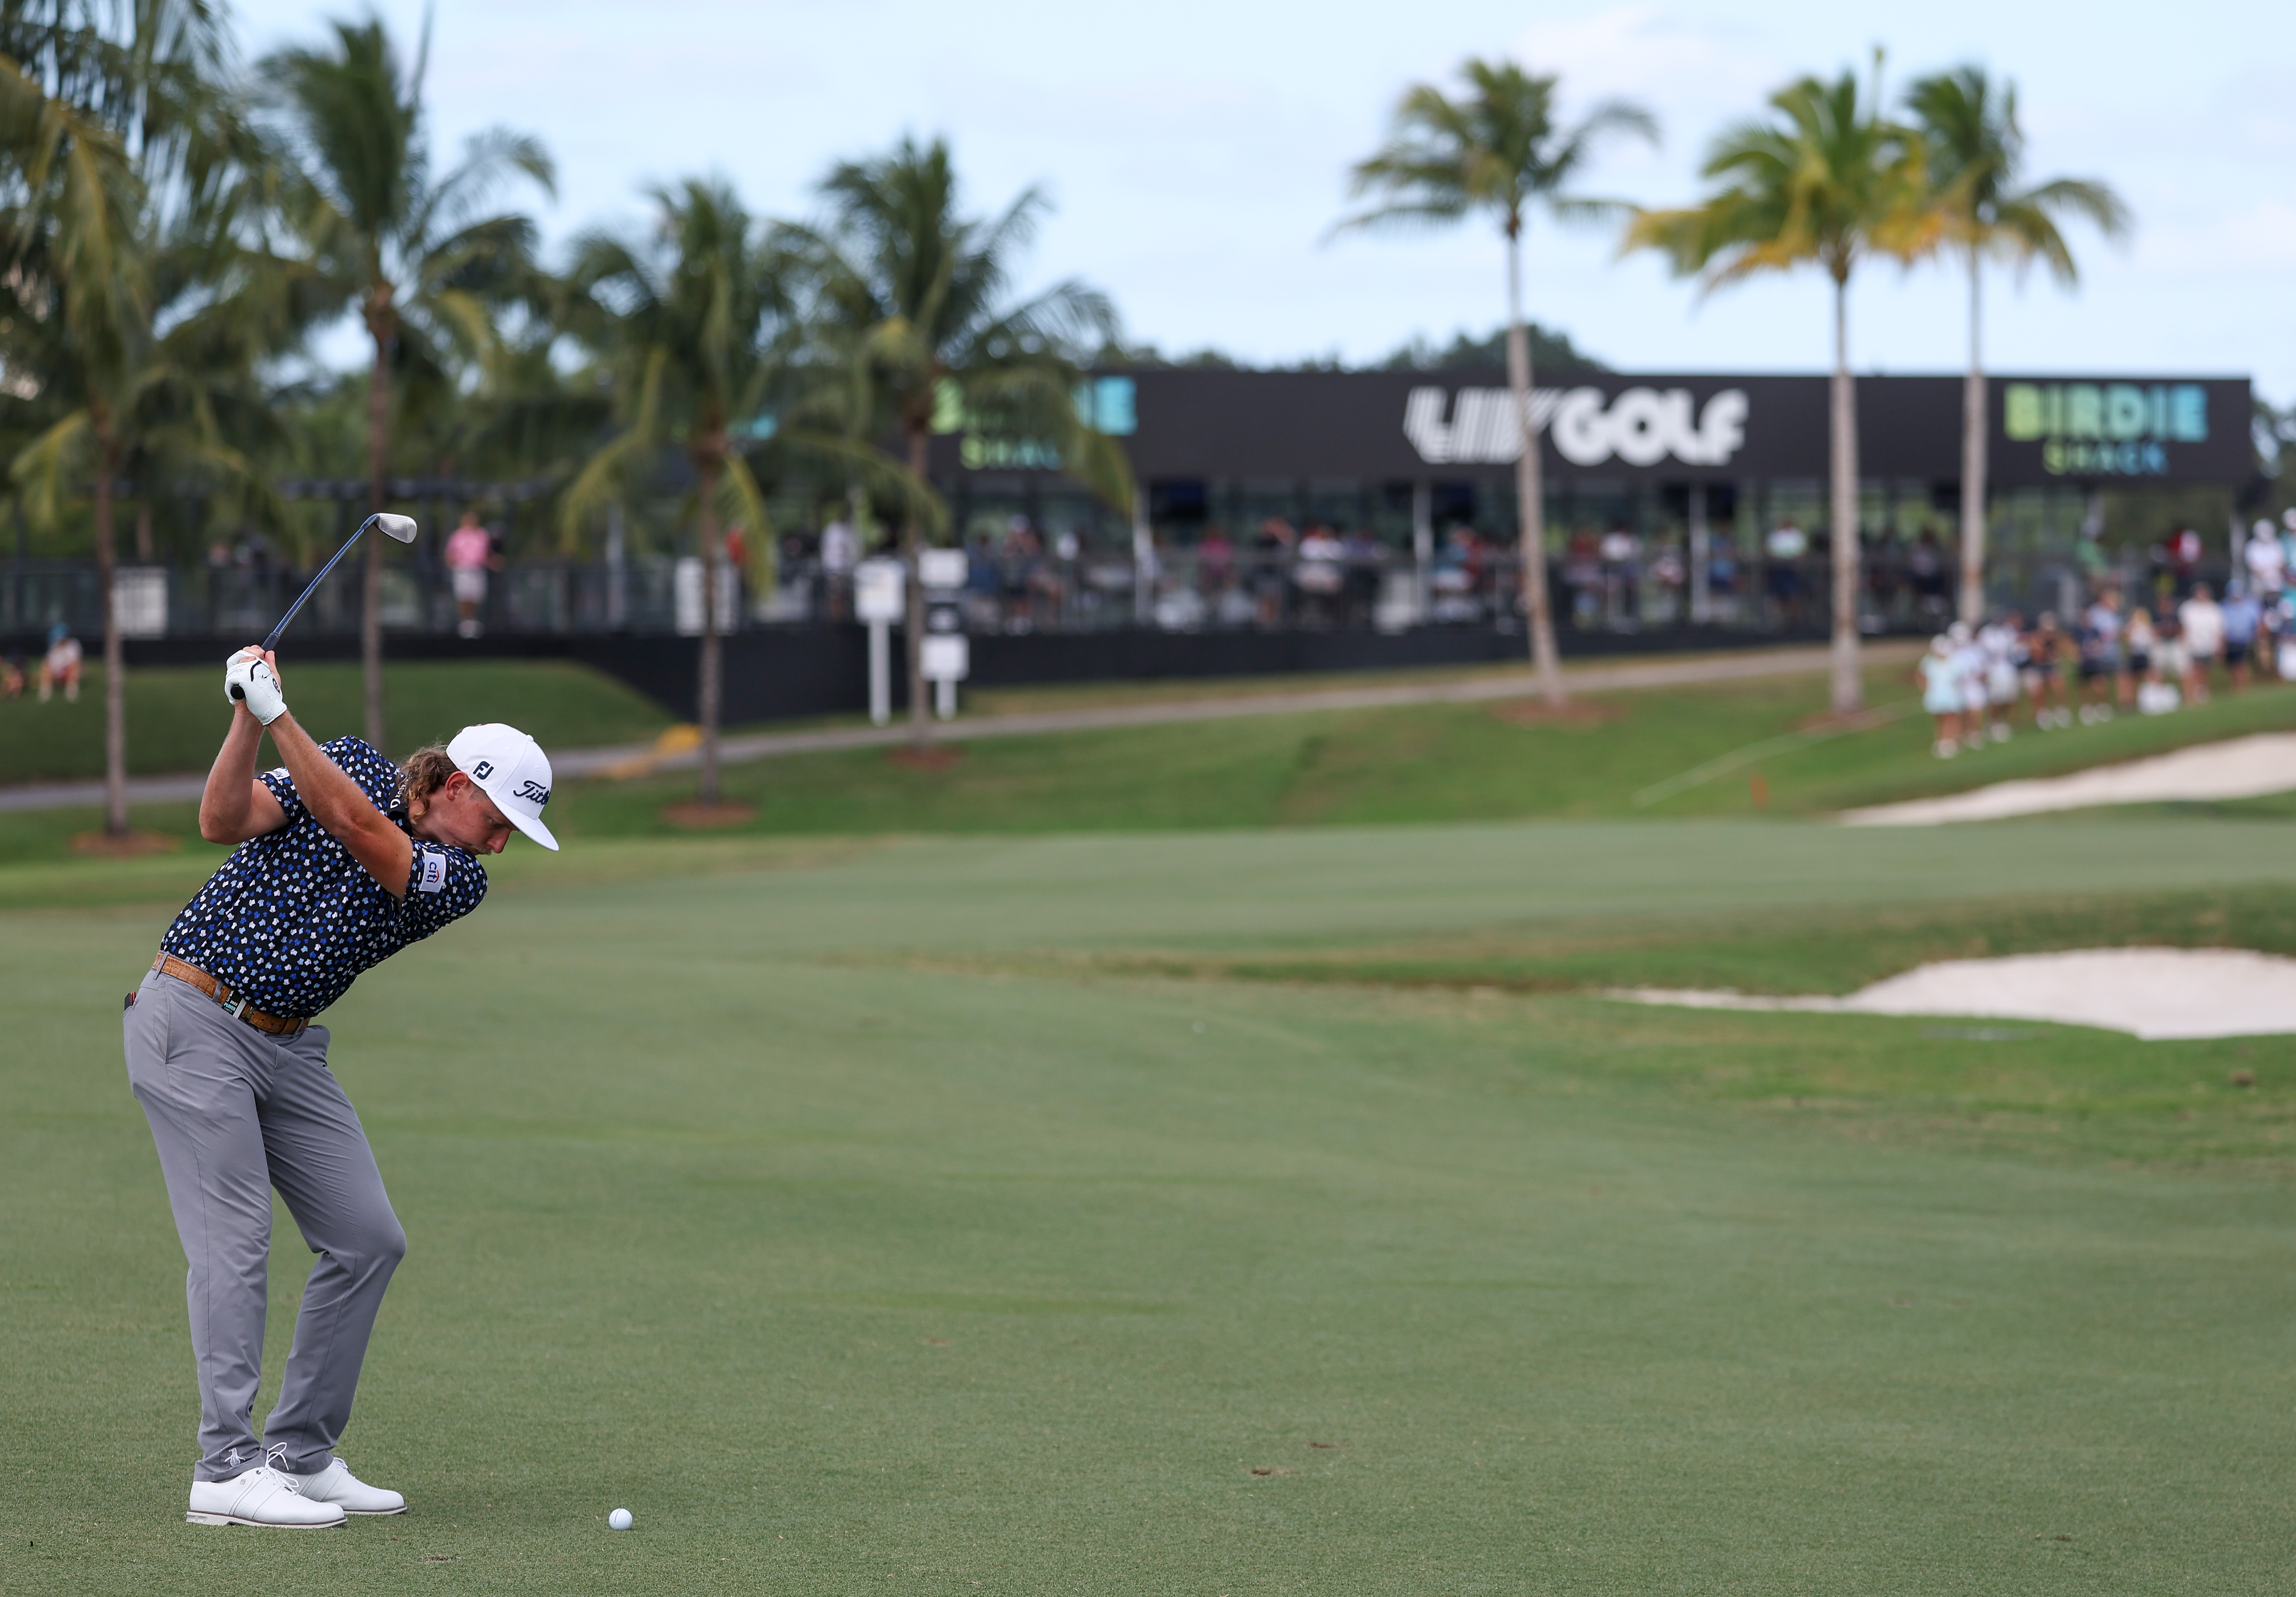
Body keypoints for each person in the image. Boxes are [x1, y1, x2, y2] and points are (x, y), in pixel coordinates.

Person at [124, 644, 559, 1528]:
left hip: (287, 1048)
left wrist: (278, 713)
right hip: (192, 1017)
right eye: (499, 818)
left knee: (368, 1239)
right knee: (237, 1242)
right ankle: (224, 1468)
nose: (500, 842)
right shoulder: (350, 760)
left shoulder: (458, 879)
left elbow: (364, 832)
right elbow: (222, 817)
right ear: (456, 785)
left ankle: (300, 1454)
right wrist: (247, 715)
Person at [444, 509, 494, 639]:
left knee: (476, 596)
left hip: (477, 570)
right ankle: (465, 625)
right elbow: (450, 554)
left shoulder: (482, 535)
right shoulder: (458, 535)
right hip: (463, 570)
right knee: (464, 596)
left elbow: (486, 554)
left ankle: (472, 622)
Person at [1978, 610, 2023, 742]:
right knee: (1995, 699)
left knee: (2010, 696)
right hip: (1993, 668)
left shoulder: (2009, 631)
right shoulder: (1986, 633)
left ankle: (2005, 722)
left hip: (2007, 668)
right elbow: (1984, 653)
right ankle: (1995, 723)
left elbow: (2015, 648)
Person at [2078, 590, 2122, 723]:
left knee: (2102, 681)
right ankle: (2087, 709)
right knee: (2087, 684)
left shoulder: (2097, 628)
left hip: (2104, 656)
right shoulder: (2078, 629)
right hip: (2088, 660)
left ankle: (2105, 706)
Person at [2178, 582, 2224, 703]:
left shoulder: (2214, 609)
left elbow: (2219, 630)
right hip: (2192, 646)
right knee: (2192, 671)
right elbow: (2183, 627)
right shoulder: (2188, 608)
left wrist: (2219, 646)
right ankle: (2190, 695)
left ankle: (2202, 693)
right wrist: (2183, 645)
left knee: (2205, 671)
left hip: (2209, 646)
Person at [2024, 612, 2071, 728]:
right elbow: (2037, 657)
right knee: (2038, 692)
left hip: (2050, 667)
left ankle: (2061, 712)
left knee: (2059, 686)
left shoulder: (2055, 638)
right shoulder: (2036, 639)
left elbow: (2062, 651)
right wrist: (2046, 646)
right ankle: (2041, 716)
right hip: (2036, 668)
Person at [1918, 634, 1963, 758]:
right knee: (1940, 719)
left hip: (1950, 694)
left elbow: (1958, 677)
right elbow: (1922, 676)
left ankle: (1952, 740)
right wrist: (1925, 690)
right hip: (1936, 695)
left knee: (1952, 717)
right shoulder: (1929, 662)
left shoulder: (1952, 661)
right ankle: (1942, 740)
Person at [1948, 620, 1989, 751]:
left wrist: (1981, 678)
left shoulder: (1975, 649)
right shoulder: (1950, 650)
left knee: (1975, 710)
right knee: (1960, 712)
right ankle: (1962, 734)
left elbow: (1982, 667)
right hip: (1957, 686)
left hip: (1973, 684)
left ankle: (1975, 734)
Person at [2222, 581, 2262, 693]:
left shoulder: (2250, 605)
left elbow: (2257, 622)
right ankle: (2236, 687)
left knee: (2242, 664)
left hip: (2246, 640)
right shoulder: (2225, 605)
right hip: (2230, 640)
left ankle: (2243, 687)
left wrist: (2257, 637)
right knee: (2232, 665)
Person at [39, 621, 82, 701]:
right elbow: (49, 660)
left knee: (74, 668)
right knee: (46, 667)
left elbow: (76, 662)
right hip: (56, 671)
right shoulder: (54, 645)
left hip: (67, 670)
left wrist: (65, 669)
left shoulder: (73, 645)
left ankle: (72, 689)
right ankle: (45, 691)